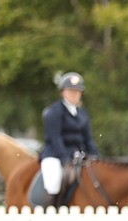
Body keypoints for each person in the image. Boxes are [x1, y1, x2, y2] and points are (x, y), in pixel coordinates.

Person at [39, 71, 100, 206]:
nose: (74, 94)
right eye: (70, 91)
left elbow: (88, 138)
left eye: (77, 91)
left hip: (77, 155)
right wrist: (65, 158)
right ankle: (48, 213)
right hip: (55, 155)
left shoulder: (82, 113)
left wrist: (95, 155)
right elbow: (55, 139)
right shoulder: (54, 111)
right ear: (63, 92)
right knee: (53, 182)